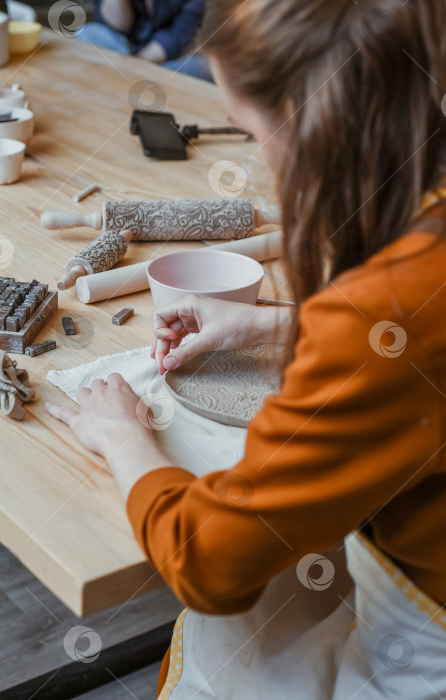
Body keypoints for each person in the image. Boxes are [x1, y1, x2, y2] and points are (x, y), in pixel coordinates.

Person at [47, 0, 446, 697]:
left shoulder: (388, 307)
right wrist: (279, 324)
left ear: (312, 125)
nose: (262, 158)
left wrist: (122, 436)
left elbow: (209, 564)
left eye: (253, 131)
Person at [78, 0, 212, 81]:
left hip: (167, 57)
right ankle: (140, 82)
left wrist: (131, 66)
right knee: (87, 33)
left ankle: (134, 82)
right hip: (124, 46)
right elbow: (118, 25)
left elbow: (177, 37)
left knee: (203, 68)